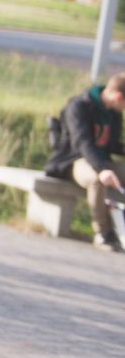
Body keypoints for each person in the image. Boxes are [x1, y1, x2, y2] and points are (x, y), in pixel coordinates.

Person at [45, 73, 125, 252]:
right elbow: (82, 142)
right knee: (97, 179)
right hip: (74, 162)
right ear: (119, 97)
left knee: (105, 173)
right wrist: (102, 169)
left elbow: (110, 145)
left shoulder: (114, 113)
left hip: (102, 161)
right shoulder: (79, 106)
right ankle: (103, 233)